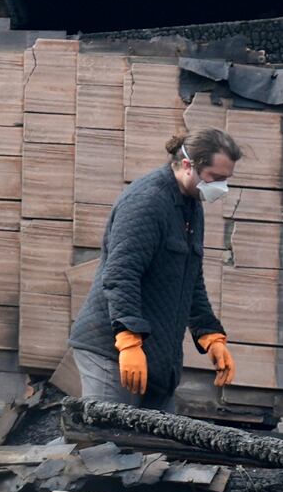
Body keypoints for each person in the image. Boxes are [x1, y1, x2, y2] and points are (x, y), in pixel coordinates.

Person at [69, 128, 241, 412]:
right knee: (105, 448)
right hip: (113, 351)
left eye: (226, 179)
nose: (221, 187)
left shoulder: (190, 205)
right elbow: (121, 274)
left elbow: (190, 279)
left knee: (156, 451)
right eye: (216, 178)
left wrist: (210, 335)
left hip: (158, 357)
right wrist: (127, 340)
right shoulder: (147, 201)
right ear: (188, 165)